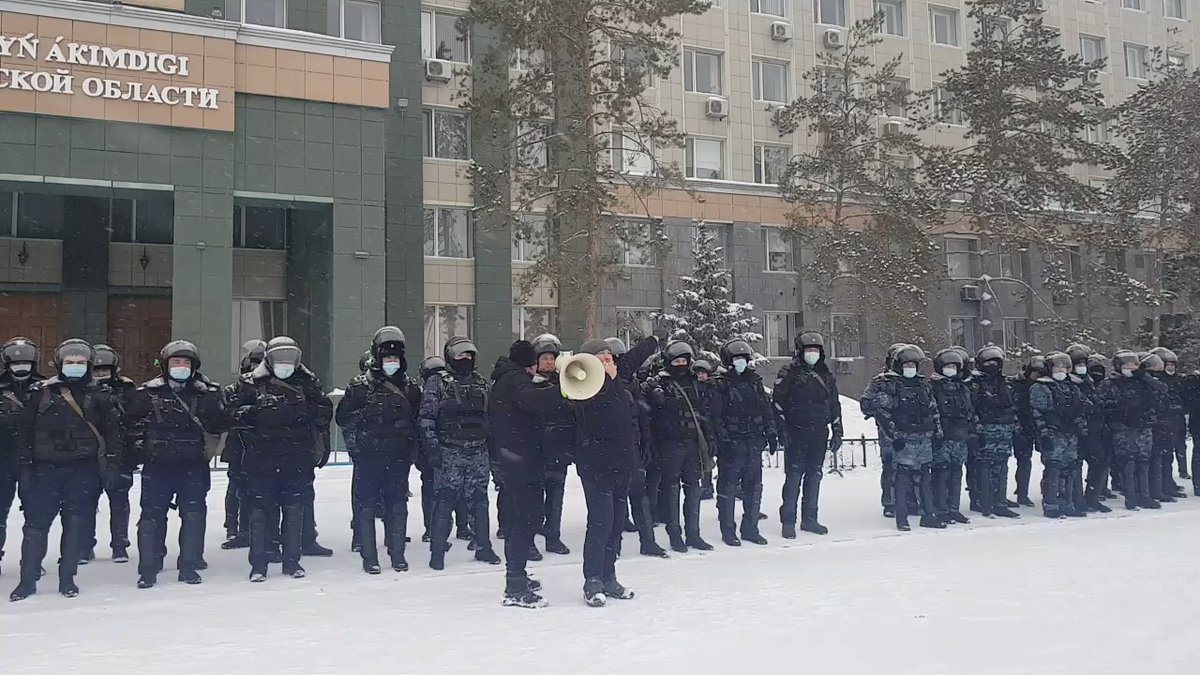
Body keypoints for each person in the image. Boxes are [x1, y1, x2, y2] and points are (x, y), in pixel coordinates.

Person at [10, 339, 123, 601]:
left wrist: (113, 465)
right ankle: (27, 580)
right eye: (70, 362)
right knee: (35, 527)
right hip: (44, 470)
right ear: (59, 364)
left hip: (82, 470)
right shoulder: (41, 392)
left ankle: (67, 578)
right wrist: (24, 466)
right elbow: (24, 432)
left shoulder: (100, 395)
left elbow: (113, 434)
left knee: (75, 525)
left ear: (89, 365)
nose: (75, 367)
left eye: (80, 363)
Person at [228, 337, 333, 582]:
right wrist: (259, 413)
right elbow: (231, 414)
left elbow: (324, 411)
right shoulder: (250, 382)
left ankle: (292, 561)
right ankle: (259, 564)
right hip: (261, 458)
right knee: (260, 513)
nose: (285, 365)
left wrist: (301, 411)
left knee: (294, 511)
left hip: (296, 458)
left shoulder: (307, 382)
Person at [124, 341, 223, 588]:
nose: (181, 367)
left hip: (193, 465)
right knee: (151, 517)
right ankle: (148, 567)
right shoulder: (148, 392)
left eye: (186, 363)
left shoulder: (206, 392)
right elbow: (129, 424)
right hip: (157, 466)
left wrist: (214, 406)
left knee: (193, 515)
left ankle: (189, 565)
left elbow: (219, 424)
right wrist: (140, 449)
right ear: (166, 365)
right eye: (176, 362)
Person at [336, 327, 421, 574]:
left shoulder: (409, 387)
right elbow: (343, 417)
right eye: (387, 358)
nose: (391, 363)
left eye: (395, 359)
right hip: (369, 456)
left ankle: (398, 555)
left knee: (397, 505)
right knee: (367, 506)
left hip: (398, 456)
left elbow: (419, 419)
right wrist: (363, 427)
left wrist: (412, 445)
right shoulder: (360, 386)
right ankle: (369, 556)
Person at [488, 339, 564, 608]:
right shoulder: (516, 381)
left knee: (522, 520)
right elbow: (532, 401)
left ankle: (517, 573)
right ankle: (515, 586)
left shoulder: (506, 379)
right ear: (530, 363)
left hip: (516, 459)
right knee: (525, 520)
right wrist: (562, 391)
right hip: (521, 462)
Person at [420, 337, 501, 569]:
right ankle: (437, 551)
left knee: (480, 501)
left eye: (468, 356)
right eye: (460, 356)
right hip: (449, 451)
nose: (465, 360)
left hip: (478, 451)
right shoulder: (438, 383)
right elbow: (426, 417)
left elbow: (491, 417)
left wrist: (493, 448)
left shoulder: (481, 382)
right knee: (444, 501)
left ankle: (483, 546)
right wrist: (433, 449)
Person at [573, 339, 639, 607]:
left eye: (609, 357)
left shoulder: (618, 386)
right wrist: (609, 382)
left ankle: (609, 576)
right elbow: (597, 414)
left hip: (621, 464)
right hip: (596, 466)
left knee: (615, 524)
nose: (607, 361)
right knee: (600, 523)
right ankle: (593, 580)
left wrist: (655, 339)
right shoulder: (586, 389)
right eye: (600, 358)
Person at [642, 340, 715, 552]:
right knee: (671, 490)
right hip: (670, 444)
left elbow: (704, 414)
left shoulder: (696, 383)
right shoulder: (658, 384)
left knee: (694, 490)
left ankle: (694, 534)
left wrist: (709, 439)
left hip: (692, 442)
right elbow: (649, 418)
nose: (681, 364)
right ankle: (675, 535)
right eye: (677, 361)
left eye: (684, 360)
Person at [708, 338, 776, 546]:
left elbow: (766, 409)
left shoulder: (754, 382)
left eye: (743, 359)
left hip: (753, 441)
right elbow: (714, 416)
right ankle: (728, 530)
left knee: (754, 487)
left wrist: (771, 432)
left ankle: (750, 528)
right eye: (737, 359)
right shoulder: (719, 384)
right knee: (728, 488)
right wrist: (723, 440)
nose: (741, 363)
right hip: (732, 442)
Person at [869, 345, 945, 531]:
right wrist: (894, 437)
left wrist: (937, 432)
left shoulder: (923, 385)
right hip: (903, 439)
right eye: (907, 364)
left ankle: (928, 515)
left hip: (923, 438)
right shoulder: (890, 385)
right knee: (901, 479)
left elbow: (933, 410)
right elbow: (883, 413)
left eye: (913, 364)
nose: (910, 367)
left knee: (925, 478)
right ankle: (901, 517)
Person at [772, 332, 841, 537]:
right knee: (794, 476)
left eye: (816, 350)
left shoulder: (826, 375)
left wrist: (837, 430)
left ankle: (810, 518)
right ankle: (788, 520)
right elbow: (777, 403)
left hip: (819, 432)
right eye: (809, 350)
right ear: (800, 352)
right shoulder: (789, 373)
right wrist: (781, 430)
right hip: (796, 433)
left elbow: (834, 404)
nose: (813, 354)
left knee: (814, 476)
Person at [608, 335, 668, 558]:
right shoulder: (614, 378)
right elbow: (634, 357)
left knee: (637, 492)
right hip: (617, 445)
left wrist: (645, 443)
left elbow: (641, 416)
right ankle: (615, 545)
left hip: (633, 443)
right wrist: (653, 340)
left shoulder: (631, 383)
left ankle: (646, 540)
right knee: (620, 495)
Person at [82, 344, 137, 565]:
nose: (101, 374)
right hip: (89, 454)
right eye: (97, 370)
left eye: (105, 370)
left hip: (120, 453)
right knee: (85, 503)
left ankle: (120, 545)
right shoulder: (81, 389)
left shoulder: (127, 389)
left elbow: (133, 419)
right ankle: (85, 546)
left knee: (119, 501)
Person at [0, 337, 43, 576]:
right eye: (16, 363)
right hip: (2, 459)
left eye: (25, 362)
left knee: (35, 514)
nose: (21, 367)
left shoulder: (45, 387)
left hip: (35, 459)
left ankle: (32, 561)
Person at [1029, 352, 1088, 519]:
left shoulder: (1072, 386)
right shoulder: (1041, 387)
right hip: (1053, 433)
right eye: (1057, 366)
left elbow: (1080, 410)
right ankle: (1051, 503)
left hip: (1070, 434)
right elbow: (1037, 413)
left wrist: (1082, 430)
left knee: (1070, 469)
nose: (1061, 370)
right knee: (1053, 468)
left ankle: (1067, 502)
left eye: (1064, 366)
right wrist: (1044, 434)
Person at [1099, 350, 1159, 510]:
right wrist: (1122, 411)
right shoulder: (1109, 383)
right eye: (1126, 365)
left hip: (1143, 427)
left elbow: (1161, 390)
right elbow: (1103, 405)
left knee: (1144, 461)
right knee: (1128, 461)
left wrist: (1145, 377)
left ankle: (1145, 495)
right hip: (1122, 428)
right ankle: (1130, 496)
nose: (1130, 368)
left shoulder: (1142, 381)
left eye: (1133, 364)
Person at [220, 339, 265, 551]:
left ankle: (253, 528)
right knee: (236, 487)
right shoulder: (234, 389)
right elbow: (227, 414)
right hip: (238, 445)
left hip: (260, 447)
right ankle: (234, 527)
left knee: (256, 489)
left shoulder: (267, 388)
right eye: (252, 366)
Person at [531, 334, 572, 556]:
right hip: (535, 450)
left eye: (552, 358)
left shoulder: (564, 382)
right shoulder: (527, 383)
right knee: (534, 498)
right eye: (544, 358)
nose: (548, 362)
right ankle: (529, 540)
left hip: (558, 449)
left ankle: (553, 537)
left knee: (556, 497)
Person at [968, 346, 1020, 518]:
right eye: (988, 362)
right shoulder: (974, 384)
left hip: (1004, 431)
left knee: (1002, 466)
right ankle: (984, 501)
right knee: (984, 467)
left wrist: (1014, 426)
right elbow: (971, 409)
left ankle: (1000, 501)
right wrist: (977, 431)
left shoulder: (1004, 383)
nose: (992, 366)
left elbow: (1012, 406)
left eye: (995, 363)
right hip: (985, 430)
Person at [861, 343, 908, 518]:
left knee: (909, 467)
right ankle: (889, 502)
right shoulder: (880, 381)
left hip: (910, 430)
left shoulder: (912, 379)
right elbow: (865, 403)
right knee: (890, 466)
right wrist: (884, 404)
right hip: (887, 429)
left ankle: (909, 500)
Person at [929, 348, 974, 525]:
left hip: (960, 437)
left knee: (956, 473)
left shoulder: (962, 387)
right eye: (947, 366)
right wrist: (937, 433)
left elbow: (969, 411)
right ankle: (940, 509)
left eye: (954, 366)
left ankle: (953, 508)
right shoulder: (933, 386)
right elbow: (932, 411)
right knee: (941, 474)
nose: (951, 369)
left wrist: (971, 432)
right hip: (943, 438)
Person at [1067, 345, 1111, 514]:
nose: (1081, 366)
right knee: (1074, 467)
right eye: (1077, 363)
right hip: (1076, 431)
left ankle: (1092, 498)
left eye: (1083, 362)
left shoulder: (1088, 381)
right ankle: (1077, 500)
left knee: (1099, 463)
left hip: (1094, 430)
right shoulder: (1067, 381)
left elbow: (1096, 403)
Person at [1140, 352, 1184, 504]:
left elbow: (1164, 391)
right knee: (1155, 458)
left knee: (1165, 456)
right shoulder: (1144, 380)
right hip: (1154, 422)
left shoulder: (1154, 379)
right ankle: (1156, 489)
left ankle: (1164, 485)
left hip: (1164, 421)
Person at [1149, 347, 1188, 500]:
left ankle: (1167, 482)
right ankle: (1161, 485)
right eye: (1167, 364)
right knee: (1161, 456)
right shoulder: (1157, 381)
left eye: (1173, 365)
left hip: (1175, 421)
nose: (1170, 368)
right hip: (1161, 422)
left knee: (1169, 455)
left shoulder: (1177, 380)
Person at [1010, 355, 1045, 508]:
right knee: (1024, 461)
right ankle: (1022, 493)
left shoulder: (1043, 385)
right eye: (1034, 372)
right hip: (1021, 427)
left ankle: (1047, 489)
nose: (1037, 375)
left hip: (1037, 426)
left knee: (1048, 460)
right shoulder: (1016, 384)